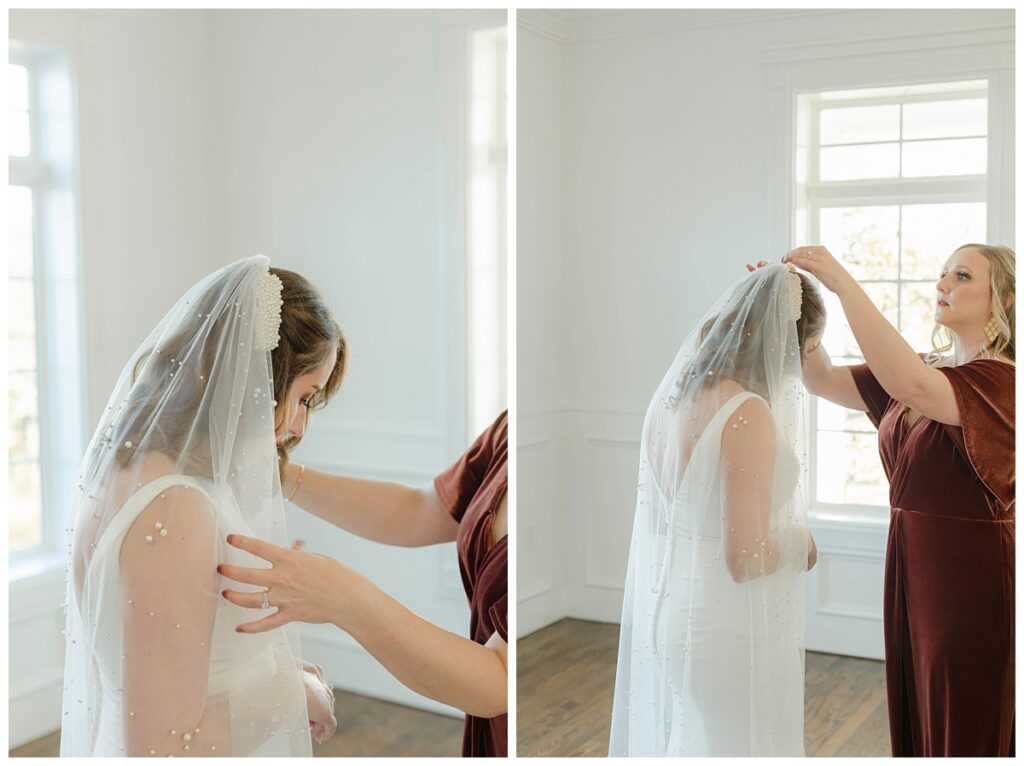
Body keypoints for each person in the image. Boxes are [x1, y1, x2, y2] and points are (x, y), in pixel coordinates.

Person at [61, 255, 342, 756]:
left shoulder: (135, 471)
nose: (299, 427)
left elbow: (184, 663)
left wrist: (277, 669)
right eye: (303, 397)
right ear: (260, 378)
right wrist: (296, 693)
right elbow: (167, 748)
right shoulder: (174, 509)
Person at [784, 243, 1015, 757]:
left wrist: (845, 283)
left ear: (1003, 299)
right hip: (911, 560)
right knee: (918, 701)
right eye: (941, 274)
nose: (943, 285)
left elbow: (910, 384)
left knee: (966, 711)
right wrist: (795, 306)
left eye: (961, 276)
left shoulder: (1003, 381)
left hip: (968, 574)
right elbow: (820, 378)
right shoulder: (923, 369)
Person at [608, 264, 825, 756]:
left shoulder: (673, 398)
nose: (801, 363)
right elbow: (744, 557)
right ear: (781, 344)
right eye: (804, 349)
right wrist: (799, 540)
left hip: (678, 604)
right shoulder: (745, 412)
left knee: (701, 741)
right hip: (724, 624)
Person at [218, 412, 509, 757]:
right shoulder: (508, 431)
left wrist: (341, 595)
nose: (300, 425)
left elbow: (500, 680)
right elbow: (419, 511)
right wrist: (277, 474)